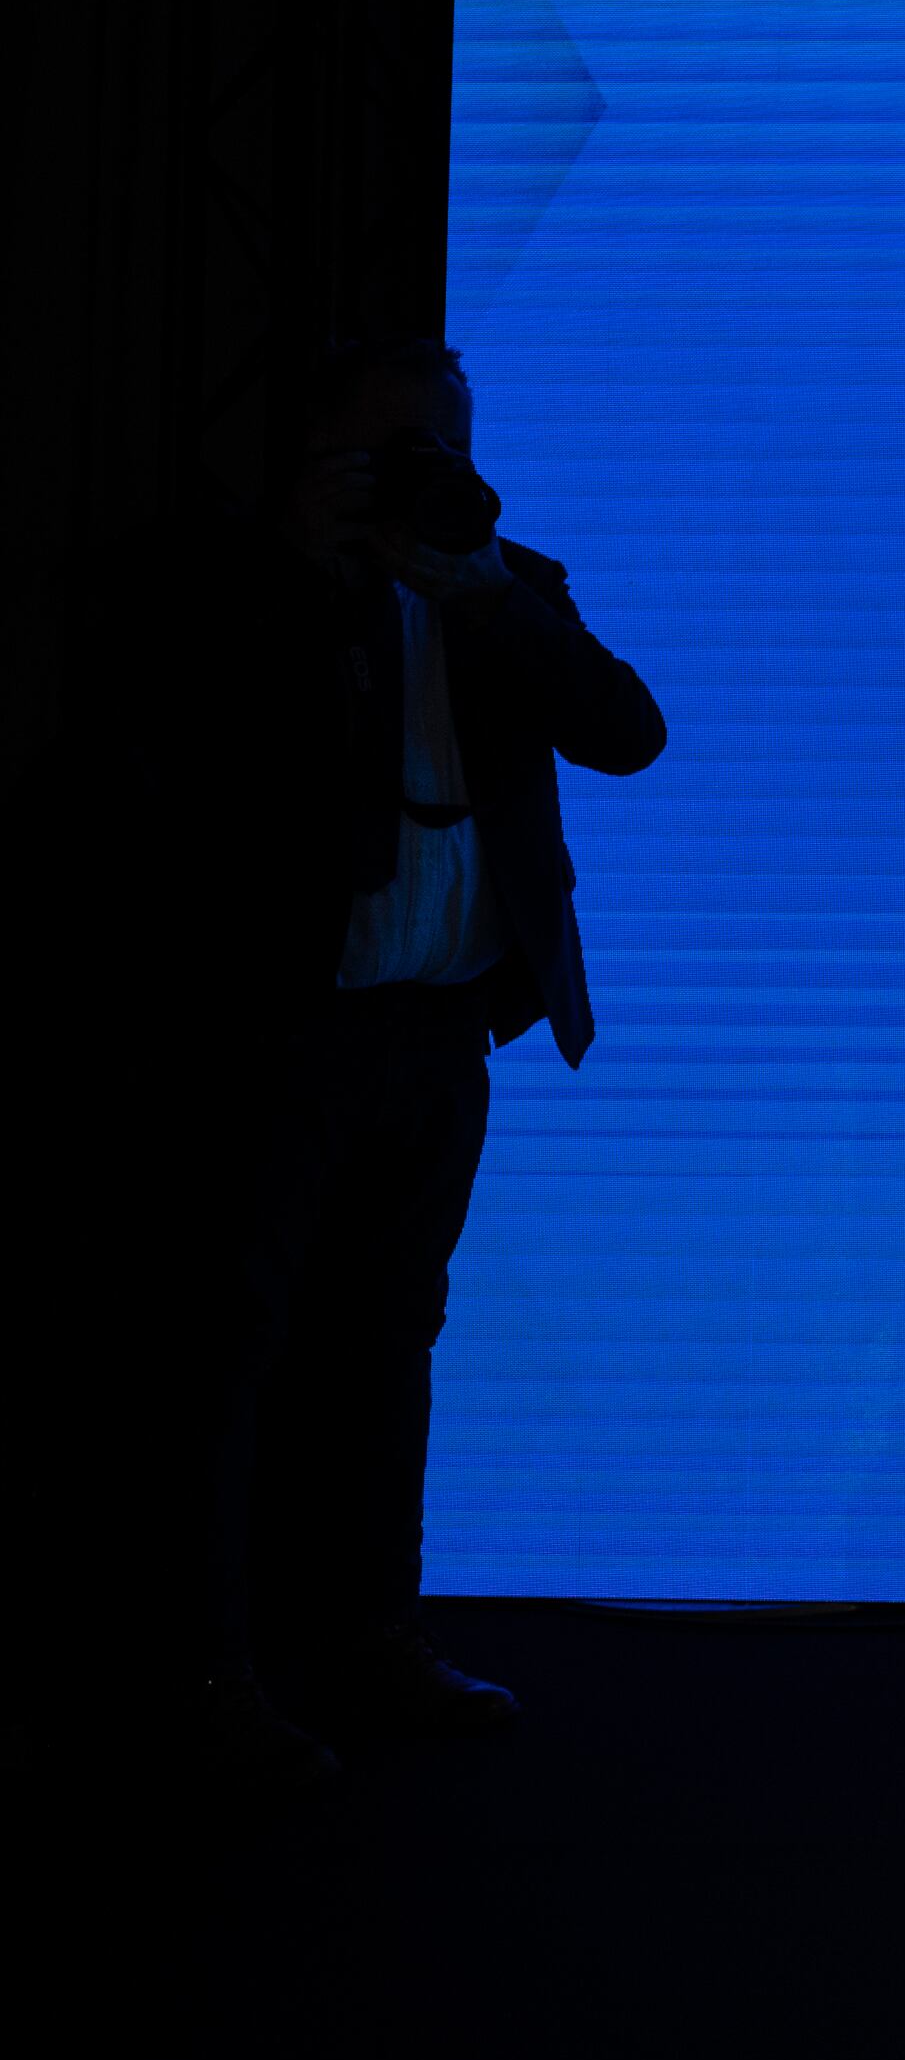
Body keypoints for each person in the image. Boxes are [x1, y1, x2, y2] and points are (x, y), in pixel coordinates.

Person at [195, 338, 667, 1792]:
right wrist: (299, 562)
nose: (425, 472)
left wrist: (470, 582)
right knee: (226, 1355)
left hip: (438, 1032)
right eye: (389, 447)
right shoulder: (248, 579)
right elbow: (194, 739)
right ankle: (207, 1674)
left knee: (389, 1344)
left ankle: (371, 1640)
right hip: (280, 1030)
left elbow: (626, 731)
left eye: (443, 445)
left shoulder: (503, 580)